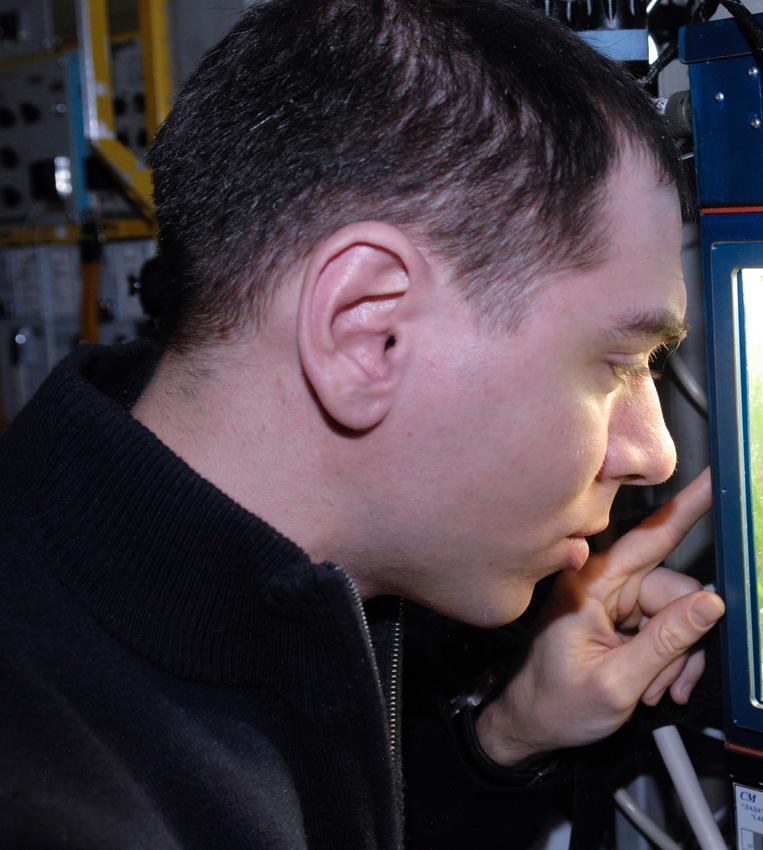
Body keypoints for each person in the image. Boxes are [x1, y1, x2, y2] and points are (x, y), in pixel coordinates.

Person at [0, 0, 724, 846]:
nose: (653, 452)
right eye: (616, 364)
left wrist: (506, 738)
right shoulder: (57, 805)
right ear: (364, 331)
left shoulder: (278, 595)